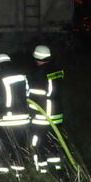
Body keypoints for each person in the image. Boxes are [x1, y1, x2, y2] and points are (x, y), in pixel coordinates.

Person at [0, 54, 31, 175]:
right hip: (23, 120)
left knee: (2, 147)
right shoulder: (22, 76)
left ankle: (2, 173)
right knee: (20, 148)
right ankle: (19, 175)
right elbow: (27, 94)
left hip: (6, 121)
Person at [26, 44, 66, 172]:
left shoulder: (38, 73)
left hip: (42, 115)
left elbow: (40, 93)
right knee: (54, 142)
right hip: (57, 113)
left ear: (36, 57)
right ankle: (58, 168)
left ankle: (42, 170)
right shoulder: (58, 70)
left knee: (38, 143)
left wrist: (27, 96)